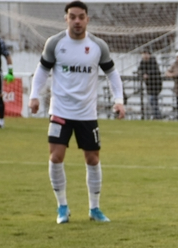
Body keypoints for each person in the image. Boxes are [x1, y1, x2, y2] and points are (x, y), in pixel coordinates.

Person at [28, 0, 125, 225]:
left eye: (81, 16)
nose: (77, 21)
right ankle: (62, 206)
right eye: (73, 17)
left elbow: (112, 73)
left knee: (92, 159)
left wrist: (119, 100)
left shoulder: (98, 46)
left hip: (87, 113)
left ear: (87, 18)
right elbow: (42, 71)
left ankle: (95, 208)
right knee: (56, 156)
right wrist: (34, 96)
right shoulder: (55, 43)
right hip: (60, 110)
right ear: (66, 19)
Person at [137, 50, 163, 120]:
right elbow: (139, 70)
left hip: (156, 85)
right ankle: (156, 115)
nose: (145, 56)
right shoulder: (142, 62)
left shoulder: (153, 62)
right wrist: (143, 74)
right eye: (144, 54)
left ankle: (157, 116)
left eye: (146, 54)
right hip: (149, 86)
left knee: (153, 100)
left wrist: (147, 74)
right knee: (152, 101)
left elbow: (155, 71)